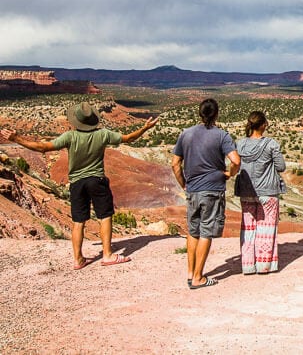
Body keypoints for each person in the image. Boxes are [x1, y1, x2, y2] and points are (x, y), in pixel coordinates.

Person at [0, 102, 157, 270]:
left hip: (77, 183)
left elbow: (42, 148)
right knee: (105, 216)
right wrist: (144, 128)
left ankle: (78, 259)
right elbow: (129, 138)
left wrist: (17, 139)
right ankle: (108, 255)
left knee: (78, 221)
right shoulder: (103, 134)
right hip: (97, 180)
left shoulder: (69, 137)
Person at [171, 98, 240, 289]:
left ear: (200, 114)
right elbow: (235, 161)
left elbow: (175, 163)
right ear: (216, 114)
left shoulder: (186, 134)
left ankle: (190, 273)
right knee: (206, 232)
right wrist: (229, 173)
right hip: (212, 190)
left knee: (193, 232)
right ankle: (198, 278)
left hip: (192, 190)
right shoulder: (222, 136)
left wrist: (183, 183)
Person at [235, 110, 286, 275]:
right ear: (263, 125)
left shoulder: (240, 144)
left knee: (248, 229)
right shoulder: (271, 144)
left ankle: (248, 266)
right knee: (267, 228)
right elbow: (281, 167)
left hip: (246, 192)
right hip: (268, 193)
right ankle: (264, 266)